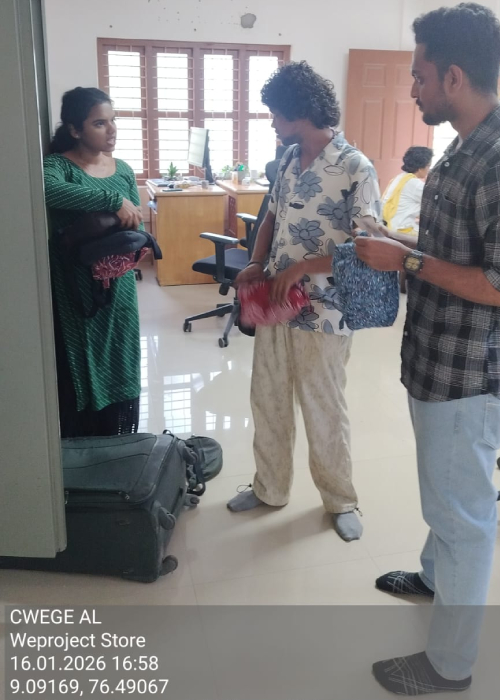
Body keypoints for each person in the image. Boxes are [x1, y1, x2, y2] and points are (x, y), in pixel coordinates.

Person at [355, 3, 500, 694]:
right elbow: (453, 251)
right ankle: (435, 577)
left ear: (454, 76)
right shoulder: (463, 147)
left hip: (468, 374)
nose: (411, 88)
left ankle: (450, 666)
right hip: (434, 360)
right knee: (443, 494)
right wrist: (395, 244)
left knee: (463, 516)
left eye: (418, 75)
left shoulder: (497, 159)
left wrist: (406, 263)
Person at [227, 61, 382, 542]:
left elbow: (367, 246)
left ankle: (340, 500)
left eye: (277, 113)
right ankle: (270, 488)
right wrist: (257, 262)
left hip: (326, 311)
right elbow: (270, 218)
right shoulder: (290, 159)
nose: (272, 122)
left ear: (301, 111)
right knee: (268, 399)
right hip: (275, 303)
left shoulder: (356, 167)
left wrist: (301, 267)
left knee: (323, 407)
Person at [44, 87, 143, 438]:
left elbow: (136, 222)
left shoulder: (123, 169)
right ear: (75, 129)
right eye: (100, 123)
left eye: (113, 120)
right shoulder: (57, 166)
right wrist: (111, 201)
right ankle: (87, 449)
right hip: (77, 293)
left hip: (120, 287)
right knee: (83, 364)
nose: (112, 130)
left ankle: (120, 441)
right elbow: (46, 189)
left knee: (122, 357)